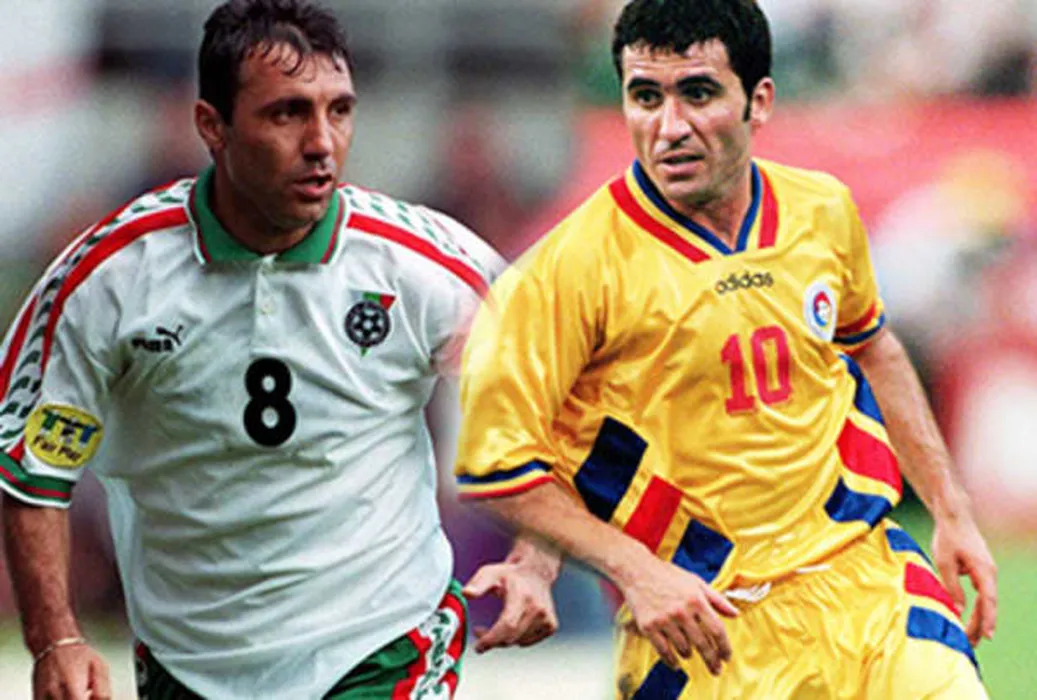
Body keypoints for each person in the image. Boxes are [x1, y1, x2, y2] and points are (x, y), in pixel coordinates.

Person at [0, 1, 561, 698]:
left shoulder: (422, 265)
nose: (322, 141)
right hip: (192, 666)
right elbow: (32, 468)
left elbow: (560, 395)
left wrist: (537, 559)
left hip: (383, 649)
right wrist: (55, 637)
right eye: (288, 113)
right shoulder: (108, 279)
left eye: (339, 110)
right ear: (212, 126)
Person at [454, 1, 997, 697]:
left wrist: (950, 509)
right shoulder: (564, 272)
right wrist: (609, 568)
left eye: (698, 93)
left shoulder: (821, 209)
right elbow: (504, 466)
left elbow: (875, 349)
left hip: (868, 584)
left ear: (758, 100)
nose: (669, 126)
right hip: (704, 626)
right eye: (645, 97)